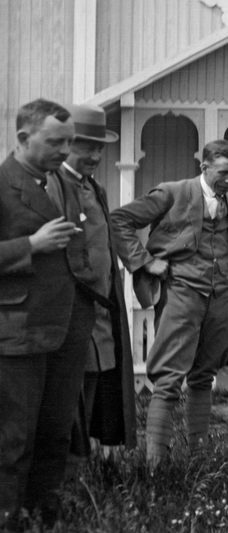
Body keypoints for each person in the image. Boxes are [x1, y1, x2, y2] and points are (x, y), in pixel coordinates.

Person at [110, 139, 228, 468]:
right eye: (223, 173)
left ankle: (198, 458)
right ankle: (156, 466)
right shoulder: (172, 193)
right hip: (181, 292)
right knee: (169, 377)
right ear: (204, 167)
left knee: (205, 376)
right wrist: (145, 262)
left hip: (220, 295)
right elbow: (120, 220)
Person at [0, 99, 88, 528]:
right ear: (22, 138)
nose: (66, 151)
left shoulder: (63, 183)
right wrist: (31, 246)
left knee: (55, 438)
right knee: (14, 444)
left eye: (70, 141)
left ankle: (44, 522)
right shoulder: (2, 184)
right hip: (17, 334)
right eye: (56, 142)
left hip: (64, 330)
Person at [61, 104, 137, 470]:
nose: (93, 155)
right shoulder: (55, 186)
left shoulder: (95, 188)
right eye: (85, 147)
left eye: (99, 148)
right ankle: (66, 484)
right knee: (65, 404)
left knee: (94, 389)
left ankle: (84, 478)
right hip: (70, 314)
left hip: (101, 313)